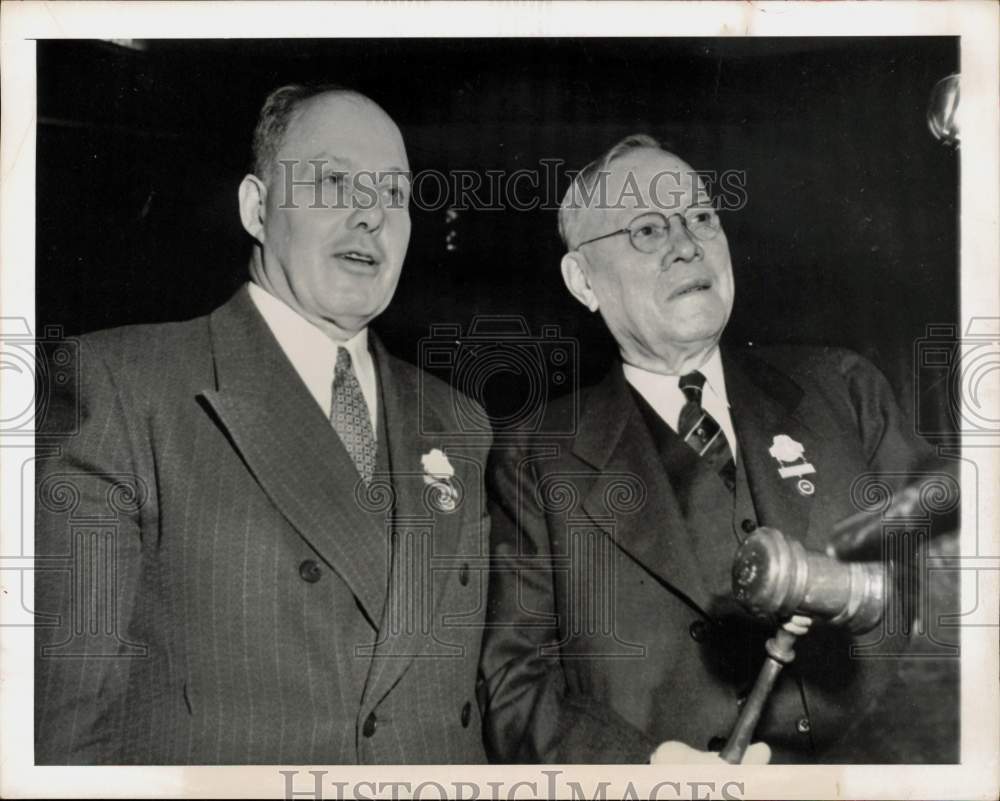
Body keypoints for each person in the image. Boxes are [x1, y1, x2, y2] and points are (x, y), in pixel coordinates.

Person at [34, 84, 491, 764]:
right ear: (257, 207)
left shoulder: (459, 421)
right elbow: (64, 731)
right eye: (334, 181)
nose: (371, 213)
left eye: (395, 193)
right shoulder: (125, 388)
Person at [480, 134, 931, 764]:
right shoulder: (535, 458)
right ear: (583, 281)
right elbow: (515, 688)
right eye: (647, 230)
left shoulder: (845, 390)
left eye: (700, 217)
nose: (687, 245)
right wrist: (650, 774)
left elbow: (959, 592)